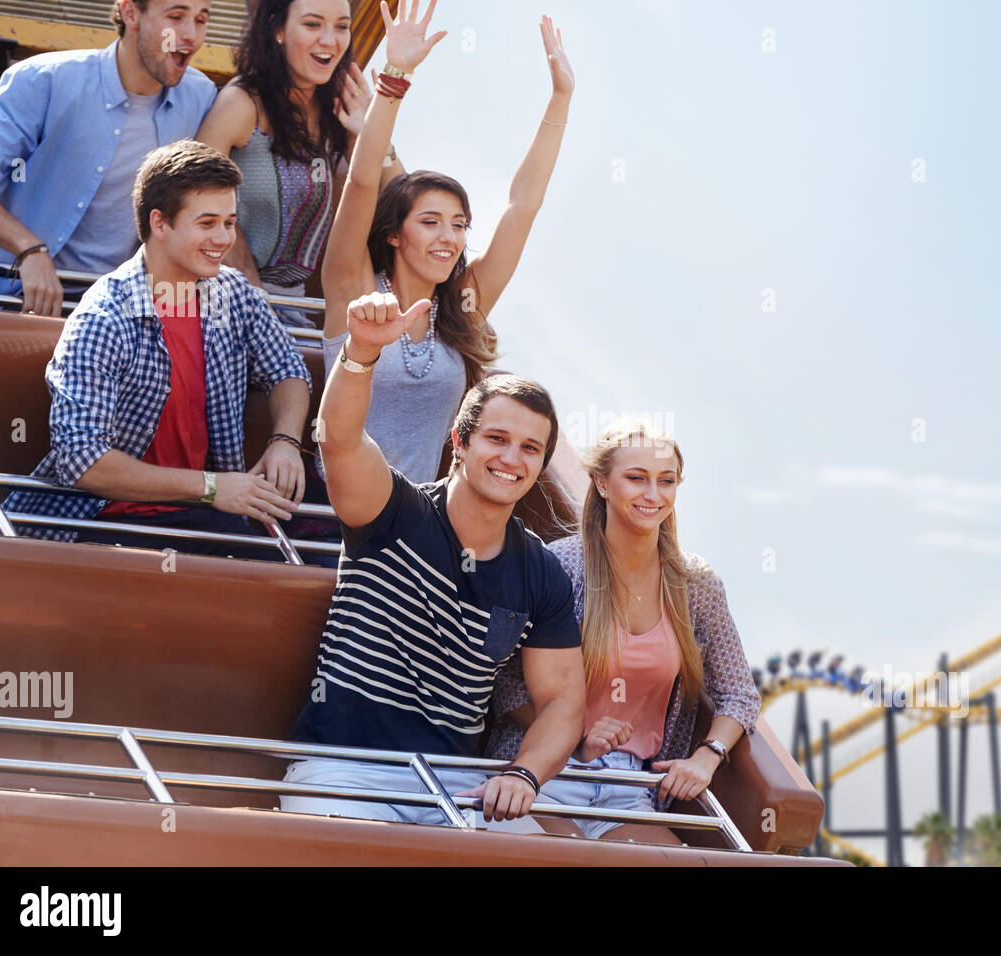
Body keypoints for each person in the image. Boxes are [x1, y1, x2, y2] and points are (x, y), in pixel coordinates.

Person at [280, 288, 585, 825]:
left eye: (530, 448)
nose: (511, 458)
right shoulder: (394, 508)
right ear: (459, 444)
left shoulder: (541, 572)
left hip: (456, 785)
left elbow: (562, 700)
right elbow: (340, 441)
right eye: (497, 438)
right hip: (344, 769)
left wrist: (523, 773)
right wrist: (361, 353)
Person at [0, 141, 314, 559]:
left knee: (313, 574)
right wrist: (213, 487)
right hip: (106, 521)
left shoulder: (232, 293)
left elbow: (288, 371)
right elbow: (83, 460)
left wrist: (284, 441)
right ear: (160, 223)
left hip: (208, 517)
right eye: (207, 223)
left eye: (229, 222)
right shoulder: (104, 316)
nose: (223, 239)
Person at [317, 0, 574, 485]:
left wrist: (560, 99)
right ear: (394, 233)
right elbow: (362, 182)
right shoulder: (354, 286)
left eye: (458, 224)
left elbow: (523, 206)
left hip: (414, 526)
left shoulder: (464, 306)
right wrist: (394, 77)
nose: (449, 237)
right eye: (431, 221)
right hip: (332, 514)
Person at [486, 420, 762, 843]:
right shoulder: (556, 568)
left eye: (666, 481)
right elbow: (503, 684)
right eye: (636, 479)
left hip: (633, 788)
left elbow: (739, 694)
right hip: (543, 770)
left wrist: (707, 758)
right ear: (600, 482)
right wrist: (576, 735)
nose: (653, 495)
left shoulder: (696, 583)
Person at [0, 0, 218, 316]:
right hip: (3, 298)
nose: (190, 36)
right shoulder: (45, 79)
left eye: (200, 20)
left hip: (110, 312)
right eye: (176, 17)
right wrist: (29, 250)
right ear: (130, 13)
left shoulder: (201, 98)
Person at [196, 0, 404, 328]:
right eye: (312, 25)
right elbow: (195, 199)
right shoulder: (242, 103)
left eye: (341, 26)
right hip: (221, 304)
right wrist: (255, 302)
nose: (329, 40)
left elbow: (403, 209)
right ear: (278, 29)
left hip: (297, 310)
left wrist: (372, 134)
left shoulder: (337, 107)